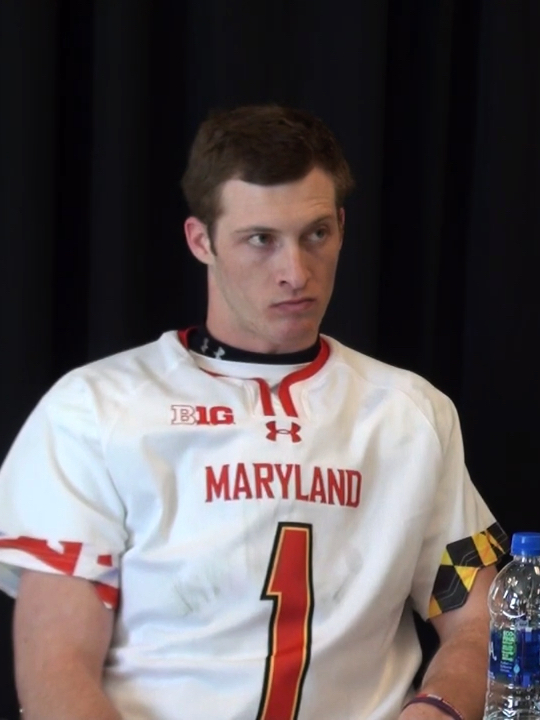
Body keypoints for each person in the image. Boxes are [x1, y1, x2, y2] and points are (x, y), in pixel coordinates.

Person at [0, 104, 507, 720]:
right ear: (200, 240)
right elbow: (56, 669)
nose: (295, 272)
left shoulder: (411, 414)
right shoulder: (93, 410)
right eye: (260, 240)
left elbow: (485, 621)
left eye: (316, 233)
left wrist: (439, 710)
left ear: (342, 228)